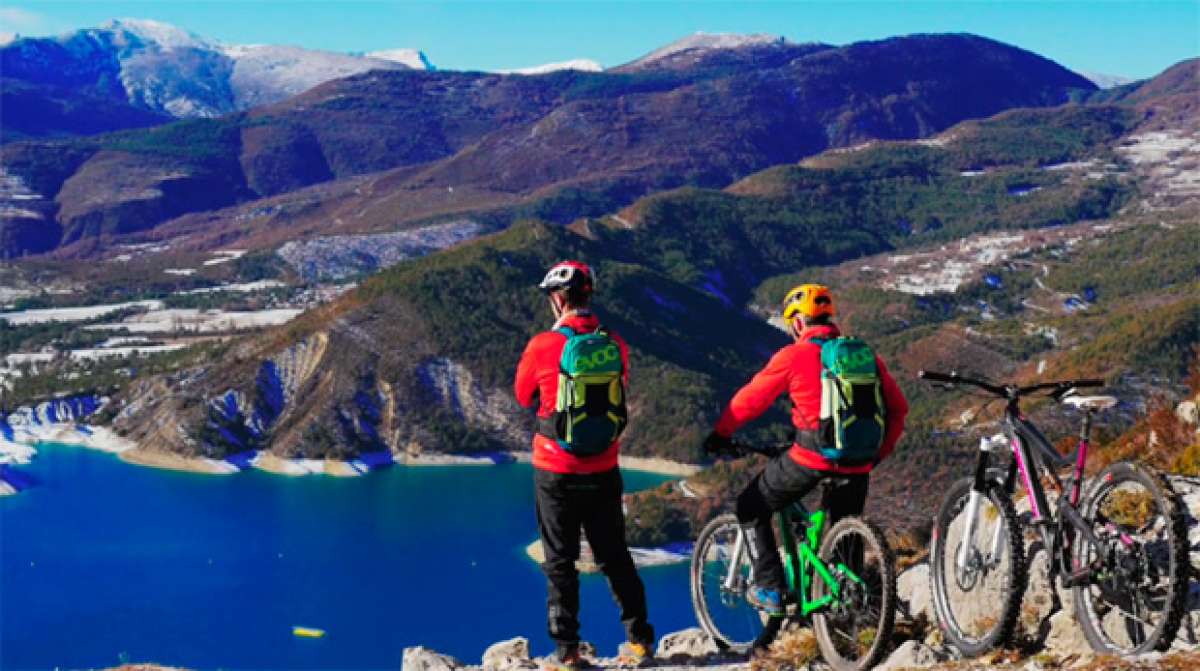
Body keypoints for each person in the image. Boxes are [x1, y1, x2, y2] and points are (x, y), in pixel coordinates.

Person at [703, 284, 908, 622]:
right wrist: (876, 455)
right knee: (847, 535)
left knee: (750, 506)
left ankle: (770, 586)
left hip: (812, 457)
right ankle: (852, 622)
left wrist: (721, 433)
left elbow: (749, 401)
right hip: (858, 461)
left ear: (798, 322)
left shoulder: (793, 356)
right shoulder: (864, 355)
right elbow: (899, 409)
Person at [514, 260, 654, 668]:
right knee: (615, 555)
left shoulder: (542, 345)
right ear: (588, 296)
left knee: (560, 559)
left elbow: (524, 396)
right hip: (603, 467)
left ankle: (568, 651)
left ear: (558, 299)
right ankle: (641, 639)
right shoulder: (614, 343)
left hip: (555, 469)